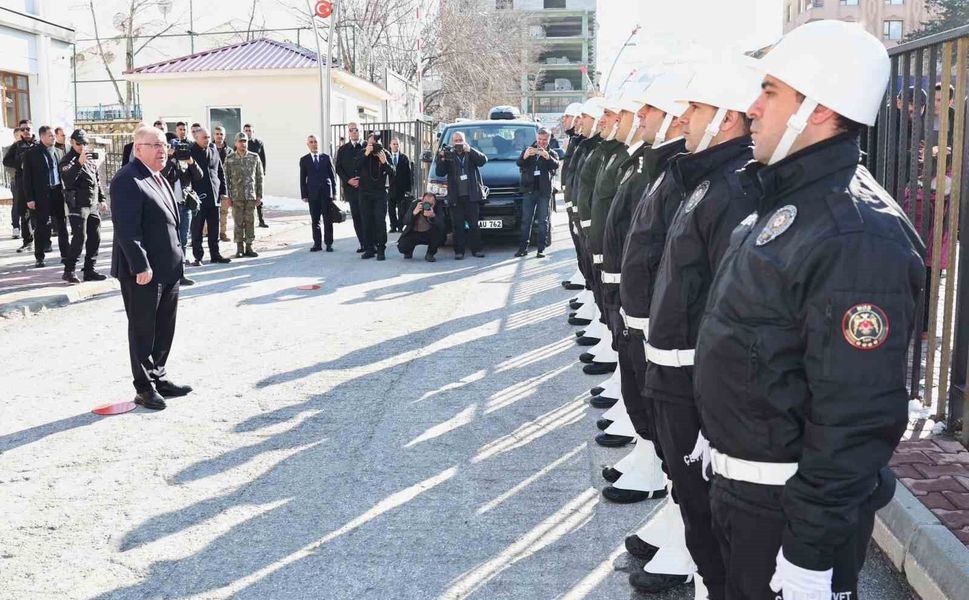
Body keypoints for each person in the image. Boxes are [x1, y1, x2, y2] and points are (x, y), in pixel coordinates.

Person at [693, 21, 925, 600]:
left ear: (818, 110)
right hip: (744, 496)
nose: (751, 108)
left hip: (786, 517)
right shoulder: (784, 204)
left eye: (769, 91)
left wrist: (808, 556)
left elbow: (856, 416)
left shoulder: (858, 235)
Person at [110, 125, 193, 411]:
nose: (162, 150)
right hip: (143, 272)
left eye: (164, 145)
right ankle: (144, 388)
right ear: (137, 148)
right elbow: (126, 229)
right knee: (143, 329)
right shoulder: (127, 179)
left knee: (164, 328)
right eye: (154, 145)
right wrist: (140, 264)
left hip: (168, 269)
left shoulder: (159, 177)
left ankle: (159, 377)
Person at [59, 129, 108, 284]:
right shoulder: (67, 160)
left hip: (92, 203)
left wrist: (102, 199)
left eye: (85, 143)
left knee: (95, 236)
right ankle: (69, 270)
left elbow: (96, 180)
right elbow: (67, 179)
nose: (82, 146)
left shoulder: (89, 159)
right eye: (79, 143)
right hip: (77, 204)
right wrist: (79, 163)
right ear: (72, 142)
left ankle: (89, 270)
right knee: (80, 237)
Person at [21, 125, 68, 268]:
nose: (53, 137)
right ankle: (39, 257)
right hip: (41, 195)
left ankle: (66, 254)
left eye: (53, 135)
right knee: (42, 227)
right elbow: (27, 178)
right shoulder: (31, 154)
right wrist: (29, 198)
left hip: (58, 192)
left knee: (62, 224)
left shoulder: (59, 152)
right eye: (50, 135)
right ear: (42, 137)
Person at [435, 131, 488, 259]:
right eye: (456, 140)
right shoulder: (449, 155)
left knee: (474, 225)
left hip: (471, 196)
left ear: (465, 141)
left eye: (460, 140)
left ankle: (477, 250)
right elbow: (440, 172)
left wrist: (470, 150)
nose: (458, 143)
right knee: (457, 226)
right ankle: (459, 252)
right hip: (456, 197)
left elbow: (483, 160)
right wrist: (441, 158)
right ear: (453, 142)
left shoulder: (470, 152)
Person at [160, 138, 203, 286]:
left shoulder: (187, 161)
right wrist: (170, 158)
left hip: (184, 206)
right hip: (170, 206)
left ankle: (181, 274)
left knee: (183, 240)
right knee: (170, 241)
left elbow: (199, 176)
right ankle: (168, 273)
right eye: (175, 148)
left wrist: (191, 161)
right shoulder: (165, 161)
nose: (179, 151)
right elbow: (162, 175)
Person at [188, 126, 231, 265]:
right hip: (198, 196)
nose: (207, 140)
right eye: (204, 138)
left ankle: (215, 254)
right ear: (196, 138)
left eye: (207, 137)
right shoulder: (191, 151)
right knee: (197, 228)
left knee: (214, 228)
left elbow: (219, 172)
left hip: (214, 195)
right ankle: (198, 256)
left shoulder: (213, 150)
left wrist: (223, 191)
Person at [515, 127, 559, 258]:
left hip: (544, 191)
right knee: (526, 220)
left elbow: (556, 165)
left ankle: (541, 249)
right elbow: (519, 163)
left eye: (544, 140)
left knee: (543, 221)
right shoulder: (529, 149)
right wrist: (525, 155)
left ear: (549, 140)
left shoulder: (552, 153)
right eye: (540, 139)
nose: (542, 142)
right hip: (529, 190)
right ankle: (523, 248)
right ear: (536, 138)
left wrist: (547, 157)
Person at [355, 132, 395, 260]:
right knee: (366, 220)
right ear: (367, 142)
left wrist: (384, 162)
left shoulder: (385, 153)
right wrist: (366, 153)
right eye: (371, 143)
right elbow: (356, 167)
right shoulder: (362, 152)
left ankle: (381, 248)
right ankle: (369, 248)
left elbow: (393, 172)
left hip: (379, 193)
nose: (373, 146)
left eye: (376, 143)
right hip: (364, 192)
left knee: (379, 220)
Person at [224, 132, 265, 258]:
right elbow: (226, 179)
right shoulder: (230, 158)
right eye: (240, 141)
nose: (243, 143)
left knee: (250, 221)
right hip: (236, 197)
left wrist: (259, 195)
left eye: (245, 141)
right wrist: (227, 196)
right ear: (235, 143)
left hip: (250, 196)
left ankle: (249, 246)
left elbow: (259, 177)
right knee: (238, 222)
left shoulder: (254, 157)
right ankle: (239, 247)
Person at [3, 121, 38, 250]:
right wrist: (20, 163)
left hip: (37, 183)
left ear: (32, 129)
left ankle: (43, 241)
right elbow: (6, 161)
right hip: (22, 183)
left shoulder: (38, 145)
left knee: (40, 212)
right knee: (24, 213)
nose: (26, 131)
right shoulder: (17, 146)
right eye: (23, 130)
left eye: (28, 129)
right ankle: (27, 240)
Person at [299, 134, 337, 252]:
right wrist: (304, 195)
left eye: (315, 142)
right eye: (311, 142)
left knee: (327, 219)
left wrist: (334, 192)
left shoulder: (326, 158)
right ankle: (317, 243)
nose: (314, 144)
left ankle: (329, 243)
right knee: (315, 220)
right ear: (308, 145)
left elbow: (332, 176)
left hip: (326, 193)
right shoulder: (304, 160)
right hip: (313, 194)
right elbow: (302, 179)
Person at [335, 123, 366, 251]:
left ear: (360, 131)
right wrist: (348, 180)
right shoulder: (342, 150)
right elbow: (338, 168)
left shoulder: (365, 147)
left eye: (356, 130)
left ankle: (371, 242)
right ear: (348, 133)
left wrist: (362, 180)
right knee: (357, 217)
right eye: (351, 130)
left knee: (367, 215)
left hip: (365, 188)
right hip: (351, 189)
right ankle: (362, 243)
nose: (354, 132)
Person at [397, 192, 445, 262]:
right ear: (422, 200)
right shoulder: (415, 204)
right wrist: (414, 212)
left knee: (439, 233)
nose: (428, 206)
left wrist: (433, 216)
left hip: (429, 233)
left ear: (435, 202)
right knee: (402, 246)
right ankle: (408, 251)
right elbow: (405, 221)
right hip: (414, 233)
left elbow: (442, 225)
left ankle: (430, 253)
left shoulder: (438, 206)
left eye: (431, 204)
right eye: (426, 203)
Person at [244, 124, 269, 228]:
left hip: (256, 175)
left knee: (259, 197)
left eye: (249, 130)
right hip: (244, 175)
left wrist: (263, 173)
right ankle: (246, 221)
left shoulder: (258, 143)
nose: (248, 132)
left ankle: (261, 220)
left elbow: (263, 159)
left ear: (253, 132)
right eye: (246, 130)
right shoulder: (240, 143)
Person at [386, 137, 413, 233]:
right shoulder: (387, 157)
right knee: (391, 208)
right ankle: (393, 226)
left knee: (401, 209)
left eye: (397, 144)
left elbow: (409, 174)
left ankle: (400, 226)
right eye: (393, 144)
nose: (395, 146)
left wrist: (408, 189)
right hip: (391, 188)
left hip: (401, 188)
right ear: (390, 145)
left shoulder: (404, 158)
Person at [213, 126, 231, 242]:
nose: (219, 136)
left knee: (224, 212)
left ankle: (223, 233)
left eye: (221, 134)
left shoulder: (229, 151)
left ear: (224, 136)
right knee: (211, 211)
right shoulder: (209, 148)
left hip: (225, 185)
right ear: (214, 135)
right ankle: (207, 232)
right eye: (217, 134)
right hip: (212, 185)